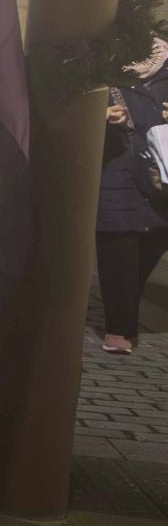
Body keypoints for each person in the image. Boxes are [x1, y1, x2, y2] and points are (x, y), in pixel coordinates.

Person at [97, 36, 168, 353]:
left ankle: (126, 304)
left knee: (155, 240)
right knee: (117, 241)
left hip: (161, 172)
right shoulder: (104, 69)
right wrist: (102, 117)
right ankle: (120, 328)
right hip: (116, 166)